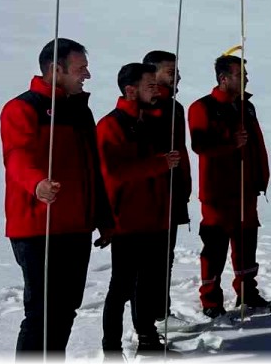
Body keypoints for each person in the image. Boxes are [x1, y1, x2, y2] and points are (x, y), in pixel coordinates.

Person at [1, 38, 112, 355]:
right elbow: (17, 155)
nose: (86, 75)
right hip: (39, 229)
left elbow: (93, 169)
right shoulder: (23, 108)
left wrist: (103, 217)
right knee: (41, 315)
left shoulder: (80, 111)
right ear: (55, 69)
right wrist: (37, 184)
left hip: (77, 227)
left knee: (65, 311)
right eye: (80, 69)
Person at [96, 63, 181, 353]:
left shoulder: (150, 120)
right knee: (120, 287)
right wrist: (159, 164)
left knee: (148, 284)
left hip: (156, 218)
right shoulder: (111, 124)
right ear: (130, 90)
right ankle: (111, 349)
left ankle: (147, 338)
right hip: (127, 220)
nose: (156, 91)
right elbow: (114, 172)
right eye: (150, 86)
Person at [189, 54, 271, 317]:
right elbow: (200, 144)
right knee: (215, 248)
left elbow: (256, 144)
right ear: (224, 78)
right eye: (240, 74)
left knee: (247, 244)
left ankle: (247, 292)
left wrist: (261, 177)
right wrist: (229, 140)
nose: (246, 78)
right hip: (218, 192)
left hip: (246, 189)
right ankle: (211, 300)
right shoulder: (203, 107)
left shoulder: (247, 107)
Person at [141, 49, 191, 315]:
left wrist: (185, 183)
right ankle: (148, 320)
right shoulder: (143, 105)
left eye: (178, 72)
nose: (178, 77)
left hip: (173, 189)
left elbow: (181, 149)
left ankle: (162, 312)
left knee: (165, 257)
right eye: (171, 73)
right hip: (149, 195)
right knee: (149, 260)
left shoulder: (176, 107)